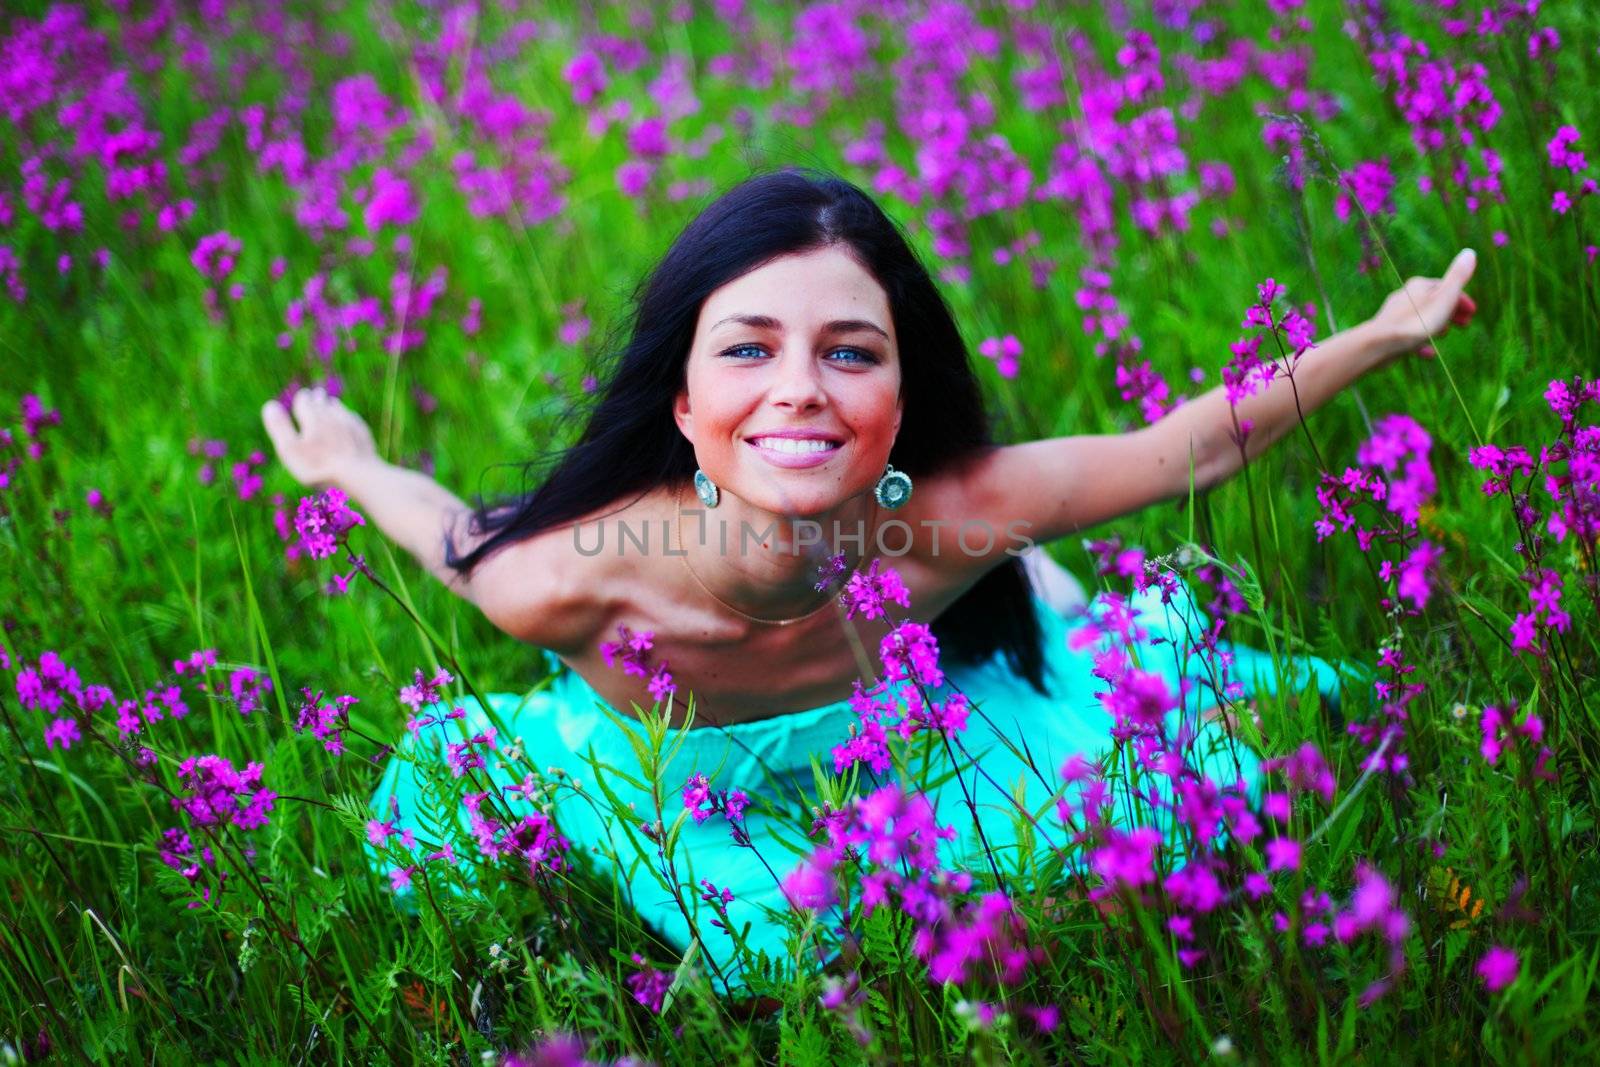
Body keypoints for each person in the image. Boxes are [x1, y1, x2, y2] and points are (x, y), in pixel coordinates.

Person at [261, 169, 1477, 984]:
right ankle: (1040, 582)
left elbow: (1191, 449)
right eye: (748, 349)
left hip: (904, 718)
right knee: (769, 950)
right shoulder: (572, 580)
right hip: (675, 784)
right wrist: (349, 463)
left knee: (1119, 756)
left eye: (851, 352)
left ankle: (1040, 587)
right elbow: (450, 536)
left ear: (900, 397)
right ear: (684, 406)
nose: (800, 387)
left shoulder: (954, 511)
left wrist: (1378, 335)